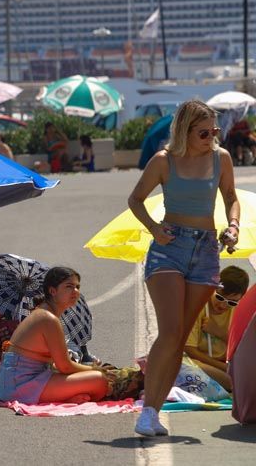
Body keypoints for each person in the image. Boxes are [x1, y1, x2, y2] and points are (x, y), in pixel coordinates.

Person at [128, 99, 239, 437]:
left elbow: (231, 196)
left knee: (179, 339)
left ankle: (154, 412)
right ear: (185, 131)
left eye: (215, 130)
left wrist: (232, 226)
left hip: (206, 250)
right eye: (204, 132)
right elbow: (135, 199)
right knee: (171, 331)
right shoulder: (164, 161)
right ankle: (147, 409)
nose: (212, 136)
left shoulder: (221, 158)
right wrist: (153, 228)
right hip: (169, 247)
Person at [0, 267, 108, 405]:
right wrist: (96, 369)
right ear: (52, 291)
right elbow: (65, 367)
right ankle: (63, 397)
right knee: (100, 380)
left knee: (90, 376)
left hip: (16, 382)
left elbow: (60, 364)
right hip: (18, 387)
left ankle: (64, 396)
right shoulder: (48, 318)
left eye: (77, 287)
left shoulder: (45, 313)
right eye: (69, 286)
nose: (75, 291)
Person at [184, 265, 248, 391]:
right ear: (213, 288)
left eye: (232, 302)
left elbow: (244, 347)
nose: (223, 305)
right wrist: (224, 368)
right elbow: (190, 350)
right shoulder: (198, 306)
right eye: (220, 297)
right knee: (232, 383)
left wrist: (219, 332)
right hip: (196, 362)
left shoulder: (239, 311)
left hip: (224, 365)